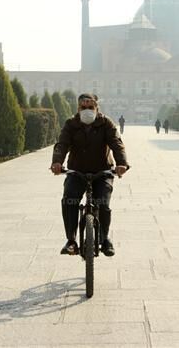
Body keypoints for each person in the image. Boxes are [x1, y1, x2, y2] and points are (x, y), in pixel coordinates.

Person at [51, 93, 129, 257]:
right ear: (78, 108)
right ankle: (71, 241)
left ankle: (104, 239)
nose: (87, 110)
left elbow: (116, 143)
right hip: (76, 171)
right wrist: (57, 162)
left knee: (103, 204)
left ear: (96, 108)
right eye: (83, 107)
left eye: (90, 107)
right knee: (69, 200)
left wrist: (121, 163)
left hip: (102, 172)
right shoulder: (71, 124)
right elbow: (62, 144)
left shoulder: (105, 123)